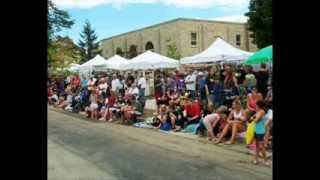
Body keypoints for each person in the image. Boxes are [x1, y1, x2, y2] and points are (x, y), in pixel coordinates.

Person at [249, 100, 270, 165]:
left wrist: (253, 118)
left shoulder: (261, 112)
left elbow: (256, 120)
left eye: (256, 105)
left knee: (261, 146)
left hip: (260, 130)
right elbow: (253, 117)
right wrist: (253, 118)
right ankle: (256, 159)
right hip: (257, 129)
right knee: (257, 145)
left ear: (258, 105)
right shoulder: (258, 111)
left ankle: (266, 161)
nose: (255, 106)